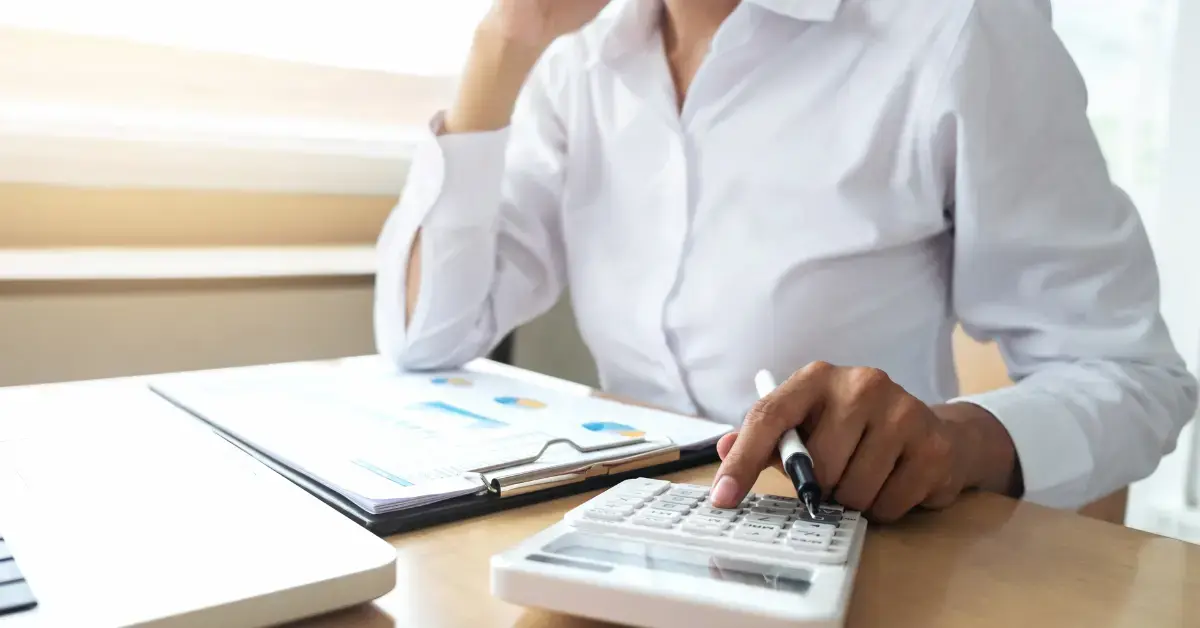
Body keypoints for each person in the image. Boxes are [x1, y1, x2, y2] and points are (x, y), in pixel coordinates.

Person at [374, 0, 1199, 521]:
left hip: (861, 547)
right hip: (627, 533)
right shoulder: (575, 52)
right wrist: (501, 41)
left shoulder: (958, 25)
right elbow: (428, 339)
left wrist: (952, 441)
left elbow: (1133, 377)